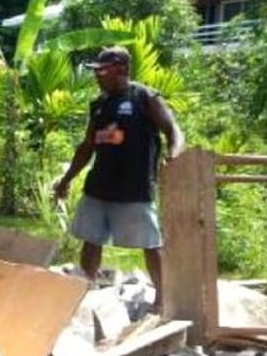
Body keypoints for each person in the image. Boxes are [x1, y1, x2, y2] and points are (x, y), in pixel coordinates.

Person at [53, 46, 184, 311]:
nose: (97, 76)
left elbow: (173, 130)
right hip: (99, 187)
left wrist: (174, 155)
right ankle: (84, 293)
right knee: (91, 241)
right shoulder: (99, 105)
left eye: (103, 70)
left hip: (134, 189)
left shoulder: (144, 97)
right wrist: (66, 180)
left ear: (122, 69)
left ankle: (163, 300)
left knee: (150, 244)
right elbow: (87, 146)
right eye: (96, 71)